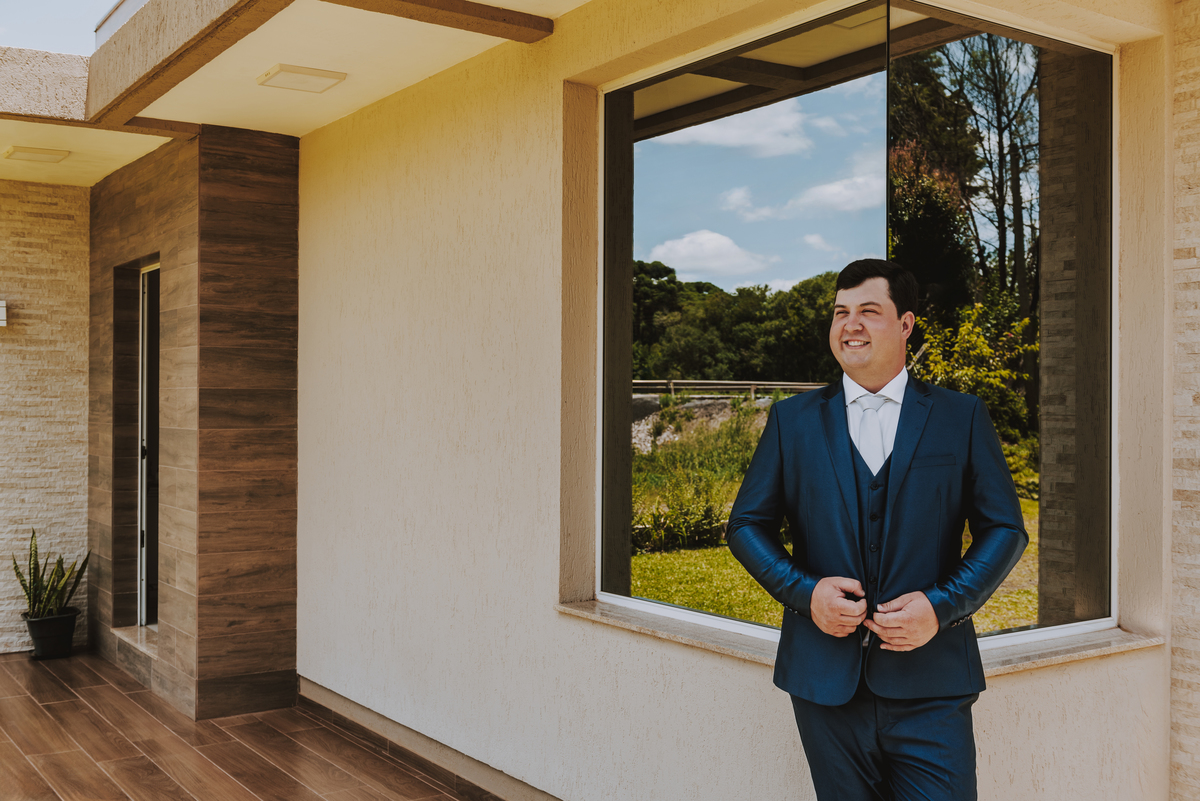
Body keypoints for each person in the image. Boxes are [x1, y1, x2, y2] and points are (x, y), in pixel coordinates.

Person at [726, 259, 1027, 801]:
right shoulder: (792, 421)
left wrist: (940, 606)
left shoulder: (960, 416)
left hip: (932, 681)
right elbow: (747, 524)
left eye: (868, 310)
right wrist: (806, 594)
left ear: (906, 324)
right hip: (824, 685)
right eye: (840, 312)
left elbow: (1005, 528)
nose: (851, 325)